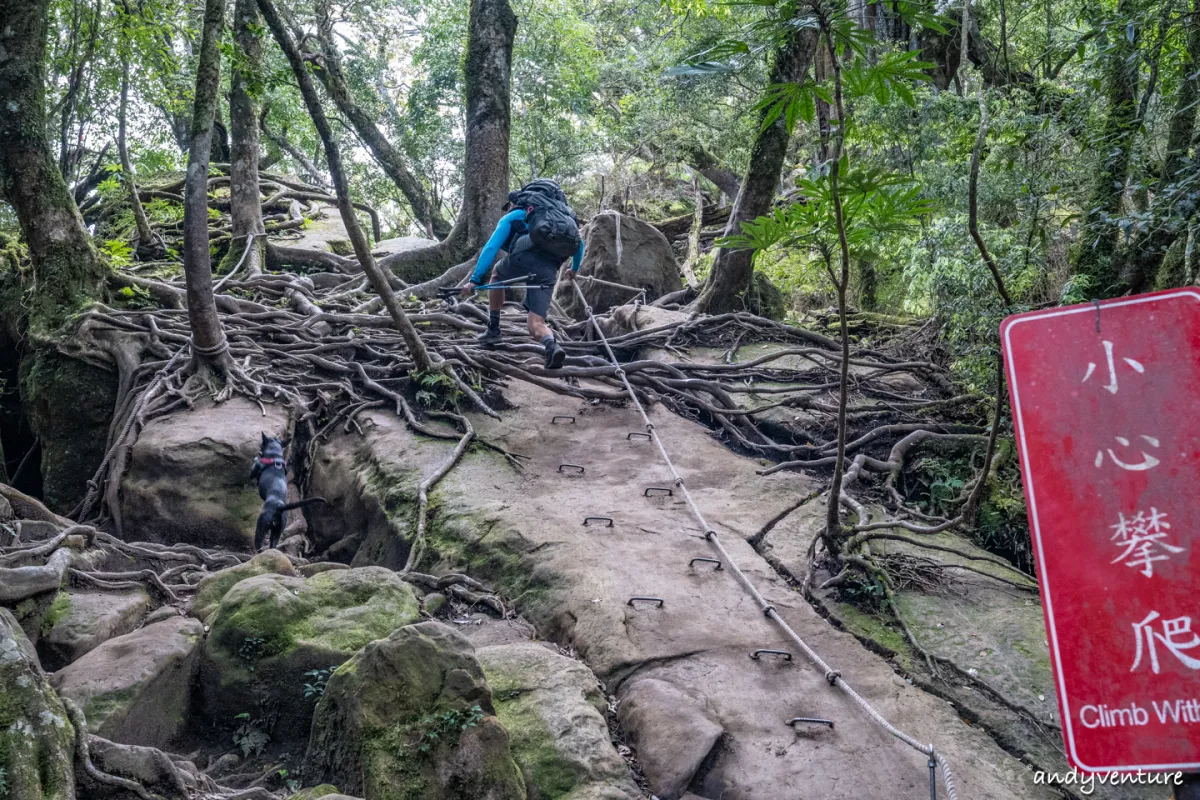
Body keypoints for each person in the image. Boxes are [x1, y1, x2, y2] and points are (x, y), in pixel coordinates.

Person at [461, 179, 584, 369]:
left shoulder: (515, 215)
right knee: (536, 324)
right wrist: (574, 269)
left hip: (522, 260)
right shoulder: (564, 216)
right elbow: (579, 243)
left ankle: (494, 328)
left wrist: (474, 280)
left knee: (496, 274)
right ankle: (551, 345)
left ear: (514, 203)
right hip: (549, 270)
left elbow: (491, 247)